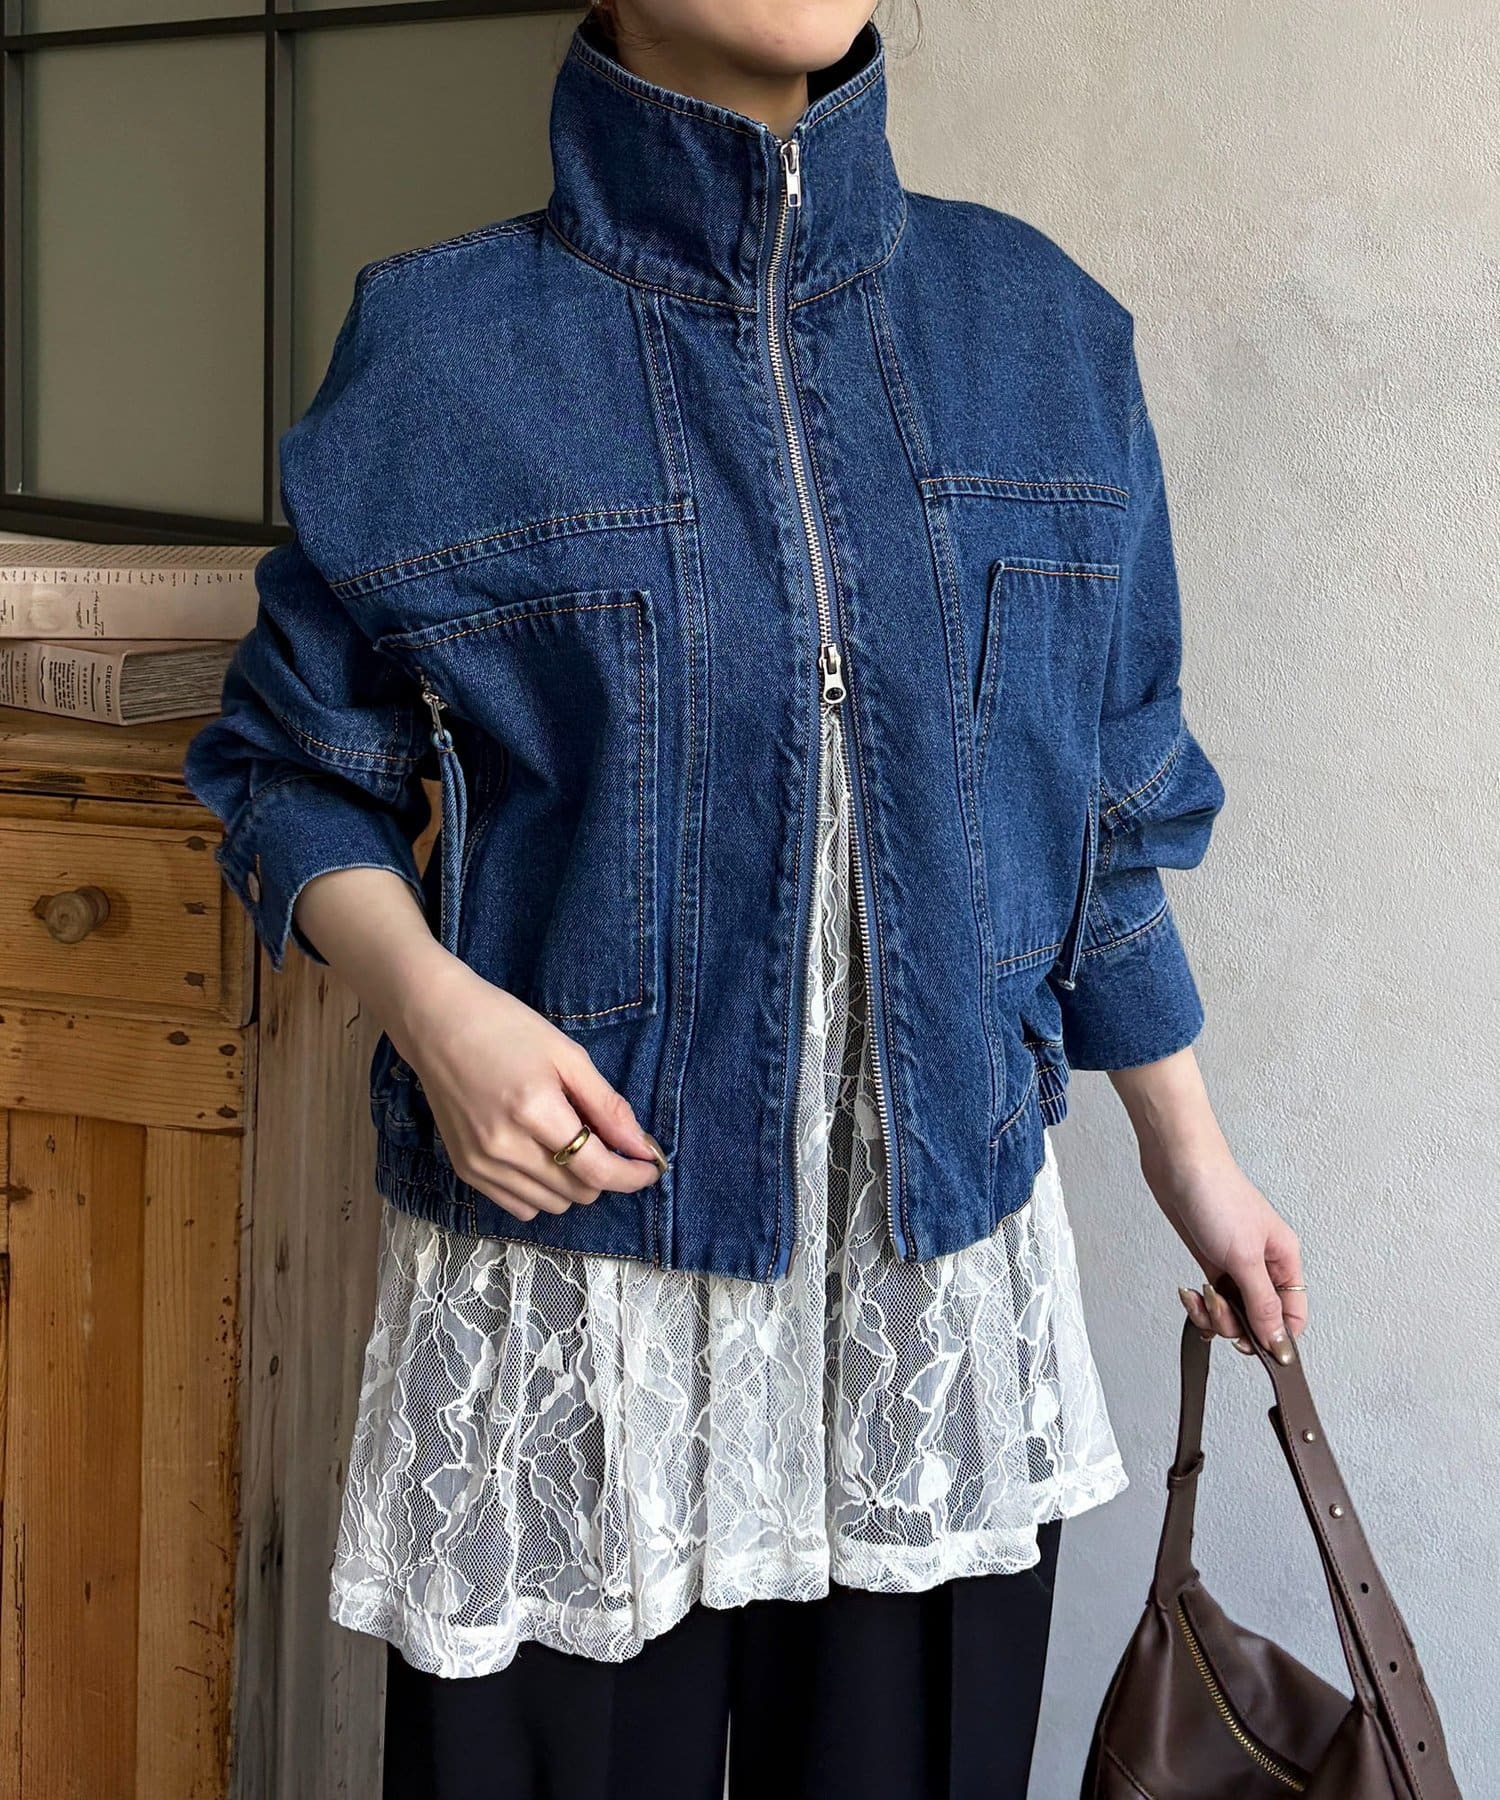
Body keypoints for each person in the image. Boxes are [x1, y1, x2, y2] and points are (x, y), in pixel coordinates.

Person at [183, 3, 1309, 1794]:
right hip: (578, 1317)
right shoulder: (446, 351)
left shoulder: (1043, 333)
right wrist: (433, 1008)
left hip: (924, 1325)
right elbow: (293, 775)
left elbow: (1097, 809)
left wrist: (1195, 1159)